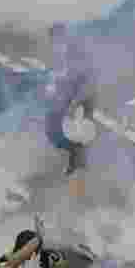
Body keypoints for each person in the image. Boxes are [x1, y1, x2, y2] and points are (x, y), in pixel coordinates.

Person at [45, 23, 99, 176]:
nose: (56, 45)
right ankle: (73, 161)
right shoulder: (57, 57)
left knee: (76, 133)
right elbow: (55, 77)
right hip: (66, 99)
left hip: (81, 99)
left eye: (59, 41)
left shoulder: (76, 56)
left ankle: (78, 164)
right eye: (54, 42)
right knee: (54, 130)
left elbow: (87, 83)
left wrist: (74, 103)